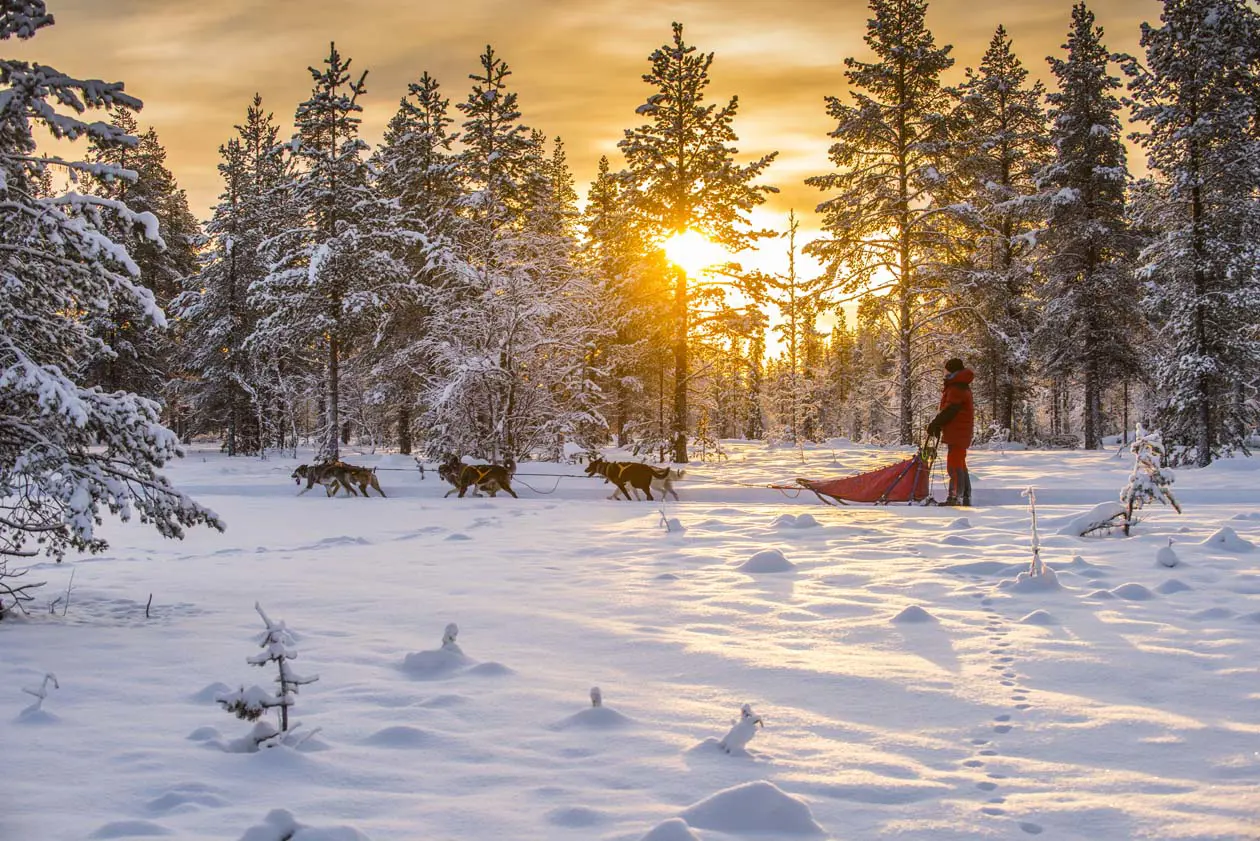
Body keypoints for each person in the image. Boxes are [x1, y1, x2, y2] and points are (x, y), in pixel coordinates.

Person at [927, 358, 974, 506]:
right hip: (959, 430)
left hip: (958, 431)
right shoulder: (959, 386)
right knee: (959, 462)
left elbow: (950, 410)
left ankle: (955, 497)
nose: (944, 372)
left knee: (954, 464)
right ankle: (964, 495)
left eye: (946, 369)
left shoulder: (956, 388)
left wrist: (936, 423)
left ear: (952, 371)